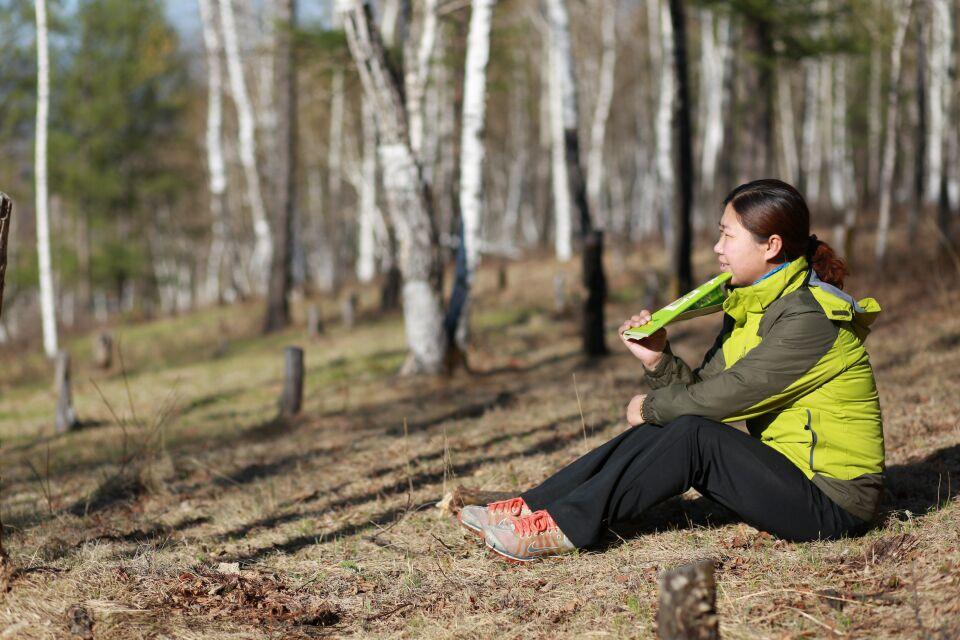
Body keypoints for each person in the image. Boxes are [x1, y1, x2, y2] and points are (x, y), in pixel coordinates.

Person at [459, 179, 885, 563]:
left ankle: (563, 529)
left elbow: (730, 396)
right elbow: (701, 393)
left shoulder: (808, 320)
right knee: (675, 426)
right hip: (788, 472)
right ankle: (532, 508)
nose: (717, 248)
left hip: (833, 503)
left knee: (687, 434)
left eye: (726, 235)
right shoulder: (753, 307)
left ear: (770, 245)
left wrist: (651, 406)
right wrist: (658, 360)